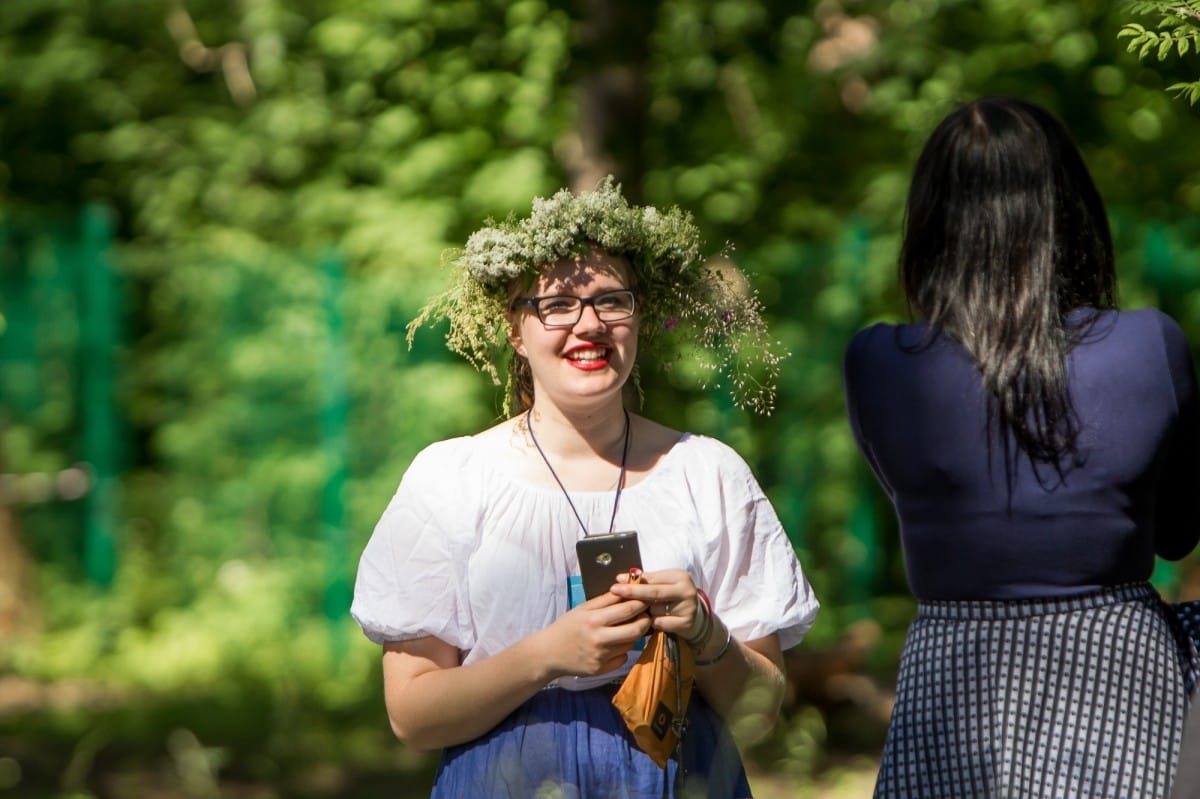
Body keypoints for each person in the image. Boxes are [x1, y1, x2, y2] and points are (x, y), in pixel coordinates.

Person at [351, 177, 819, 797]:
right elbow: (412, 716)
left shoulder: (708, 473)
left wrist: (704, 632)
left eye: (611, 301)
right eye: (557, 305)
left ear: (639, 317)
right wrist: (548, 654)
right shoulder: (451, 478)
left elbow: (760, 708)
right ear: (515, 331)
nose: (589, 325)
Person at [842, 96, 1200, 798]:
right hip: (1120, 682)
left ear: (932, 223)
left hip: (949, 687)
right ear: (1070, 213)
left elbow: (919, 503)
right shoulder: (1149, 346)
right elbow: (1180, 535)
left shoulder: (882, 363)